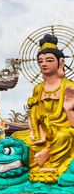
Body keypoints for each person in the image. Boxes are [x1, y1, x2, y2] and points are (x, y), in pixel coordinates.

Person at [14, 33, 74, 183]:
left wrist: (68, 109)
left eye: (49, 60)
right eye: (40, 61)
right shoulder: (38, 89)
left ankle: (50, 157)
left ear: (61, 62)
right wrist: (35, 131)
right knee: (15, 139)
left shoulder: (70, 87)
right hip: (42, 132)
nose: (43, 64)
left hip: (64, 131)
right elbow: (32, 114)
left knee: (64, 137)